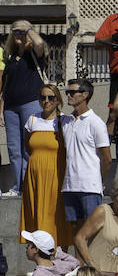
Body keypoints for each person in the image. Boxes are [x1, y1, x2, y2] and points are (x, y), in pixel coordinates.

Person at [57, 78, 111, 239]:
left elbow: (107, 158)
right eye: (67, 92)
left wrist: (98, 180)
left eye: (72, 92)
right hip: (69, 185)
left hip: (89, 186)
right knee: (75, 230)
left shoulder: (96, 123)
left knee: (93, 231)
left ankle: (93, 264)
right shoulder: (65, 121)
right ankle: (81, 264)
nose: (68, 95)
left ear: (85, 95)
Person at [2, 20, 49, 194]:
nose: (19, 35)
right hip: (10, 107)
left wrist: (27, 29)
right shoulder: (11, 57)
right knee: (14, 150)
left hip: (30, 103)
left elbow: (39, 43)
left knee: (29, 147)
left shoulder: (34, 53)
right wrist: (2, 110)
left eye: (22, 32)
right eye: (16, 32)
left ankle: (29, 185)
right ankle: (17, 187)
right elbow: (5, 87)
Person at [20, 83, 68, 246]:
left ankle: (60, 254)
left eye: (51, 97)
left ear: (58, 100)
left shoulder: (64, 121)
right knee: (36, 212)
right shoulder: (32, 120)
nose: (46, 101)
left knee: (56, 213)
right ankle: (39, 254)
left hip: (56, 174)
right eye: (42, 97)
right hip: (34, 175)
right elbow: (28, 145)